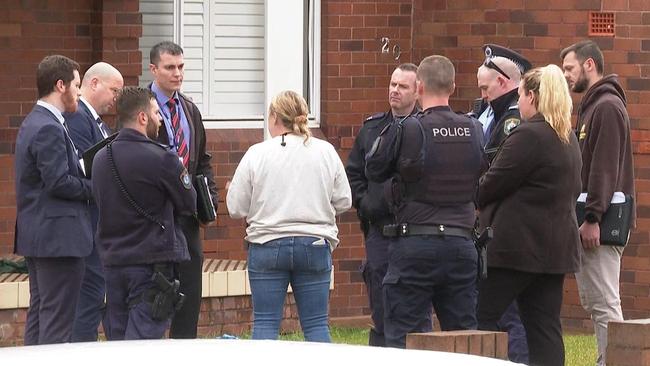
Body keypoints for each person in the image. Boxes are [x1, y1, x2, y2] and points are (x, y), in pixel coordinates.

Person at [365, 55, 487, 348]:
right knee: (464, 341)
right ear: (453, 87)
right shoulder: (474, 128)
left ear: (418, 87)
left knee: (403, 340)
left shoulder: (410, 128)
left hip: (414, 246)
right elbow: (483, 172)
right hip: (461, 246)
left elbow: (374, 167)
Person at [476, 64, 582, 366]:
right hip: (554, 251)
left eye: (520, 95)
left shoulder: (528, 135)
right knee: (544, 327)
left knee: (481, 316)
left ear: (532, 97)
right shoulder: (568, 138)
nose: (518, 102)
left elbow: (489, 185)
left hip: (516, 249)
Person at [226, 90, 351, 342]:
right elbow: (344, 201)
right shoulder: (325, 152)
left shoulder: (257, 153)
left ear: (274, 117)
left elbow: (236, 209)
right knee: (316, 325)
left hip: (266, 244)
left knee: (265, 323)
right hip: (315, 244)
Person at [92, 86, 197, 340]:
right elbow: (189, 203)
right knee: (143, 346)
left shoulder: (99, 158)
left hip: (112, 264)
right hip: (151, 267)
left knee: (118, 343)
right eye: (156, 113)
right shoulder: (162, 158)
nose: (160, 119)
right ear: (142, 117)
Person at [561, 40, 636, 366]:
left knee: (605, 302)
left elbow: (604, 167)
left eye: (569, 68)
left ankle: (615, 361)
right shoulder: (595, 105)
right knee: (597, 302)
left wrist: (592, 217)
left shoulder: (605, 106)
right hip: (596, 220)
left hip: (601, 224)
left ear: (589, 65)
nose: (565, 75)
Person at [345, 63, 427, 347]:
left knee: (413, 305)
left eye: (403, 86)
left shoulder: (426, 128)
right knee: (380, 297)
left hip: (416, 230)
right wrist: (365, 203)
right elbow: (354, 172)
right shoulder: (372, 128)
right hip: (380, 229)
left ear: (418, 91)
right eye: (392, 84)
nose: (395, 91)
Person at [14, 55, 93, 345]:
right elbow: (58, 182)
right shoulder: (48, 126)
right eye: (77, 84)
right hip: (58, 239)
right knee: (57, 322)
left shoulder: (36, 121)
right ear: (61, 85)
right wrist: (96, 189)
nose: (80, 92)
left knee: (42, 314)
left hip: (42, 236)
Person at [148, 41, 218, 339]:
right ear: (154, 69)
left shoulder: (189, 108)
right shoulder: (142, 107)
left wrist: (209, 201)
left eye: (181, 67)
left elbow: (202, 161)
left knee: (188, 299)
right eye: (169, 68)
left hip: (188, 218)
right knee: (154, 302)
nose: (177, 74)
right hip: (153, 219)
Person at [474, 44, 532, 364]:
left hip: (502, 226)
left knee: (507, 314)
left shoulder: (511, 119)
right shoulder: (486, 111)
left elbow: (492, 167)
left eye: (485, 88)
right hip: (492, 224)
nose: (482, 95)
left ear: (504, 82)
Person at [64, 61, 123, 342]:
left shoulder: (99, 123)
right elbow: (85, 169)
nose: (116, 98)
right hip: (86, 228)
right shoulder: (77, 120)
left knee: (94, 300)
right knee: (86, 304)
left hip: (98, 230)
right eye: (114, 89)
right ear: (94, 83)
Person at [474, 44, 532, 161]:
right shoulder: (484, 108)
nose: (483, 95)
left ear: (501, 82)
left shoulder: (518, 112)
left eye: (485, 88)